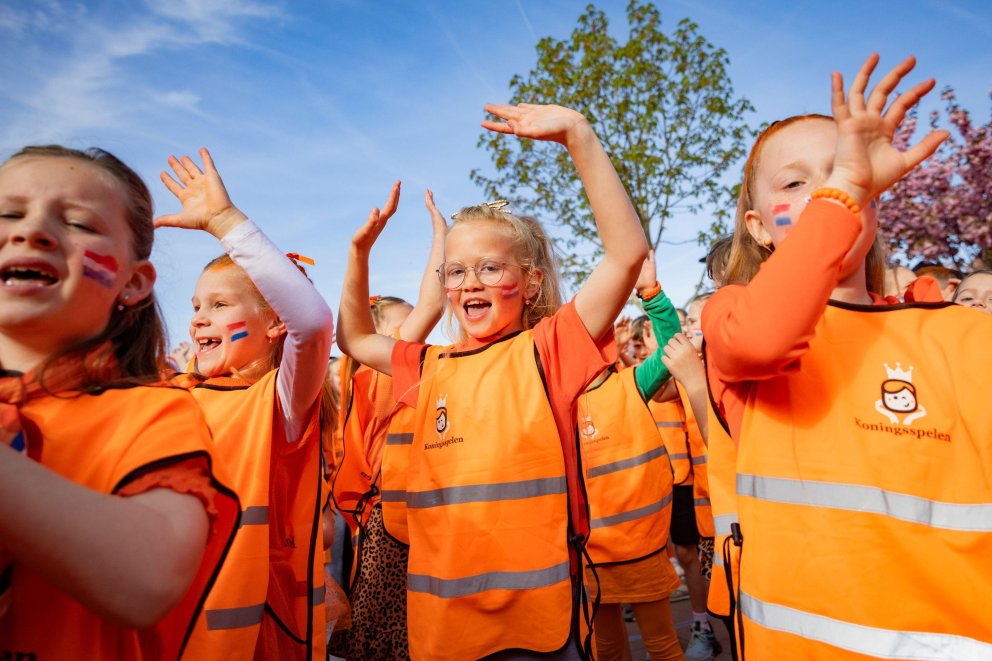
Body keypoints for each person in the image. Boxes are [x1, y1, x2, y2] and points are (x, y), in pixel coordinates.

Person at [704, 54, 992, 658]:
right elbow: (764, 337)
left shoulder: (963, 337)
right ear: (758, 228)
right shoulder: (731, 314)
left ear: (877, 199)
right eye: (795, 183)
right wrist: (843, 192)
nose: (829, 191)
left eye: (840, 172)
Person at [337, 102, 647, 661]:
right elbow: (356, 341)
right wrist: (358, 254)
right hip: (442, 632)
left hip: (537, 632)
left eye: (490, 268)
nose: (470, 282)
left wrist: (579, 135)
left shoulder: (549, 350)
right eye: (455, 271)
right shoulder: (429, 366)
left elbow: (626, 254)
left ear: (529, 283)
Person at [0, 145, 239, 659]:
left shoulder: (156, 411)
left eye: (79, 223)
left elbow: (146, 582)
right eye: (8, 213)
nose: (30, 231)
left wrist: (227, 223)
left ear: (133, 282)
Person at [158, 148, 334, 659]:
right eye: (196, 306)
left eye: (219, 305)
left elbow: (314, 322)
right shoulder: (175, 394)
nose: (198, 320)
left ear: (273, 323)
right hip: (174, 624)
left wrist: (224, 221)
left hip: (256, 634)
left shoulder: (278, 401)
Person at [329, 189, 446, 661]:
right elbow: (433, 305)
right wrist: (442, 236)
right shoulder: (377, 371)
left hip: (375, 521)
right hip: (388, 528)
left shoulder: (360, 376)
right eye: (399, 329)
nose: (412, 336)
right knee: (395, 644)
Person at [577, 251, 684, 660]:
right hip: (590, 555)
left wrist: (650, 293)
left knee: (660, 642)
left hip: (644, 549)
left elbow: (672, 342)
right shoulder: (557, 401)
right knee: (606, 646)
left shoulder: (633, 383)